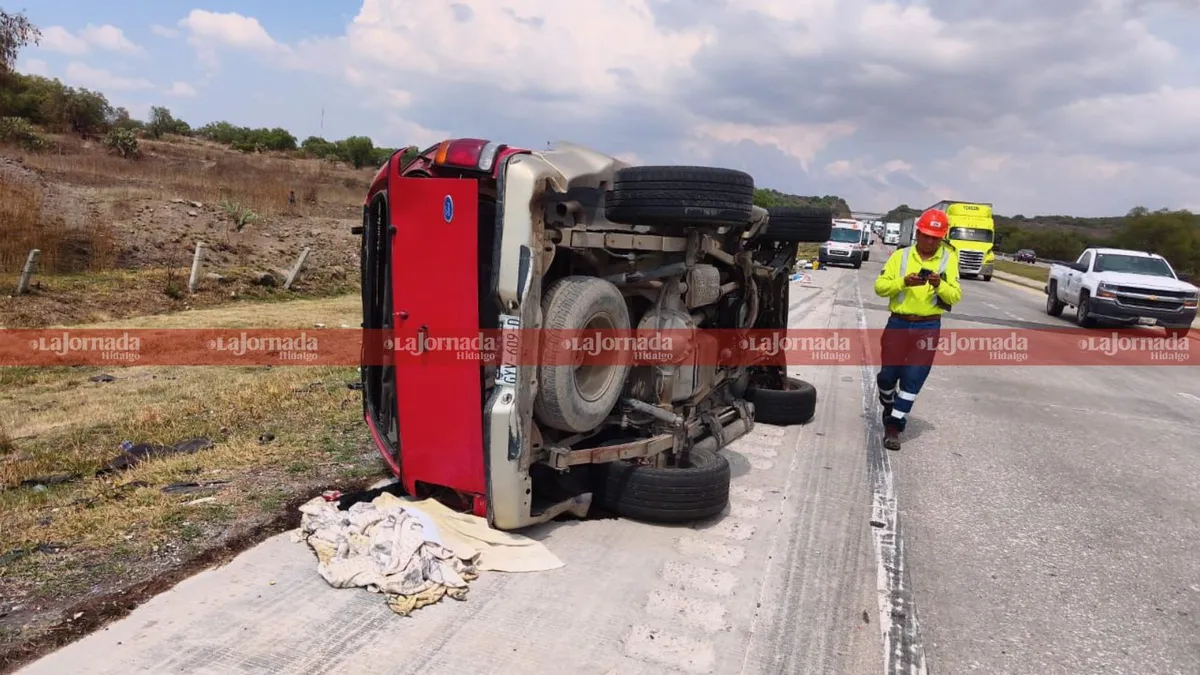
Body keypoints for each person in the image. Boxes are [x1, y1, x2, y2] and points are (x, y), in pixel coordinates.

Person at [873, 209, 962, 451]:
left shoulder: (948, 260)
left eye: (936, 238)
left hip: (928, 326)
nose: (930, 242)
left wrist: (938, 284)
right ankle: (888, 401)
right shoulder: (900, 257)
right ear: (918, 233)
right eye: (927, 236)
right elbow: (880, 288)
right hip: (899, 324)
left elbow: (955, 295)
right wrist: (904, 282)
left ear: (942, 238)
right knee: (887, 377)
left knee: (913, 379)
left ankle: (894, 427)